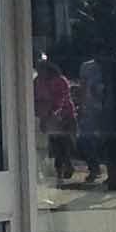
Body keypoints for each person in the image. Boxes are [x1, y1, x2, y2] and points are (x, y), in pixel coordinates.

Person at [76, 45, 116, 192]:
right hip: (91, 111)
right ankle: (94, 167)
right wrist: (81, 107)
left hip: (111, 113)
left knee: (110, 144)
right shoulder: (87, 67)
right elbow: (83, 87)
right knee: (84, 140)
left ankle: (113, 176)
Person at [31, 54, 78, 184]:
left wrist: (53, 114)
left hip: (64, 116)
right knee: (55, 145)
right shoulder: (37, 82)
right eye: (38, 69)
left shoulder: (60, 80)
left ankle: (66, 166)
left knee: (64, 144)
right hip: (46, 117)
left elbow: (61, 100)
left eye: (42, 69)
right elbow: (33, 98)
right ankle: (60, 170)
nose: (40, 72)